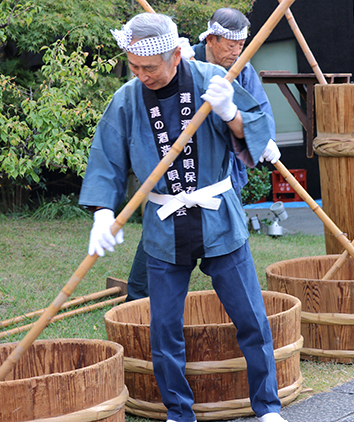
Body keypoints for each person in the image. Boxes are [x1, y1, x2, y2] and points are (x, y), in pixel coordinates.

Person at [79, 12, 285, 422]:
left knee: (251, 318)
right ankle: (178, 412)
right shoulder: (126, 98)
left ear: (176, 55)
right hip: (163, 223)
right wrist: (103, 213)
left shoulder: (214, 79)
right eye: (134, 67)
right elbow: (106, 159)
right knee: (164, 328)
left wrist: (229, 112)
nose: (141, 75)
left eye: (149, 67)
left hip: (218, 217)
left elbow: (258, 134)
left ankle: (267, 407)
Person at [125, 8, 278, 302]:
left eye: (241, 45)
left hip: (220, 171)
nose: (236, 51)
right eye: (231, 45)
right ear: (211, 39)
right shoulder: (180, 58)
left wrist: (262, 137)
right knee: (163, 230)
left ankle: (232, 295)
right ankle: (138, 297)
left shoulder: (242, 71)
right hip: (175, 167)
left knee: (226, 236)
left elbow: (259, 115)